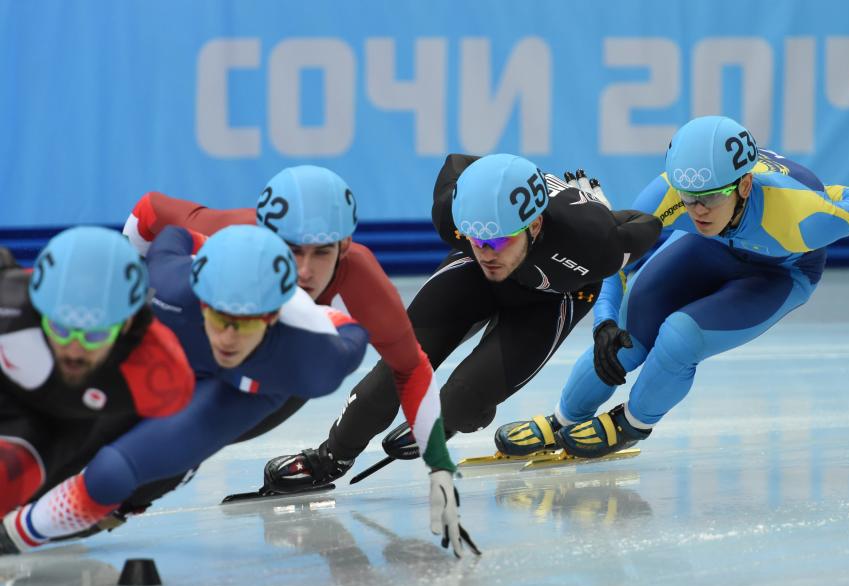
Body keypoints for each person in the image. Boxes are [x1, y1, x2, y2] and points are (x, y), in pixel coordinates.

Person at [122, 165, 476, 556]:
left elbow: (410, 368)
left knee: (191, 439)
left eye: (322, 252)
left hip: (275, 357)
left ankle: (125, 496)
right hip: (215, 328)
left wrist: (439, 465)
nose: (305, 272)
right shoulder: (231, 234)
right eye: (291, 251)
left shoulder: (360, 277)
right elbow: (149, 210)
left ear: (344, 246)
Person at [494, 115, 849, 458]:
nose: (697, 210)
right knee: (624, 333)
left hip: (778, 273)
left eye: (710, 198)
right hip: (710, 248)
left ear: (745, 185)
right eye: (688, 198)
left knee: (680, 337)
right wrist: (604, 323)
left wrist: (825, 196)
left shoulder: (803, 218)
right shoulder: (666, 194)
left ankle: (631, 423)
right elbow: (614, 260)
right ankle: (564, 418)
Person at [267, 153, 663, 483]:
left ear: (536, 224)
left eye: (499, 240)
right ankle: (328, 457)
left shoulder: (592, 241)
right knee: (391, 376)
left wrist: (602, 213)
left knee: (461, 402)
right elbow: (457, 164)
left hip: (553, 298)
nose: (488, 251)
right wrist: (484, 233)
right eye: (477, 239)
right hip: (472, 279)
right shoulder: (454, 216)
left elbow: (647, 225)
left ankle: (449, 419)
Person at [0, 224, 368, 554]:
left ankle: (32, 529)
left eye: (244, 324)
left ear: (272, 316)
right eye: (219, 318)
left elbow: (354, 335)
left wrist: (315, 314)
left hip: (249, 389)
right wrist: (211, 246)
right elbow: (168, 229)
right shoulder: (172, 286)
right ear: (202, 302)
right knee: (89, 431)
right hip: (181, 365)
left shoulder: (314, 362)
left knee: (115, 472)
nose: (227, 338)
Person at [0, 227, 194, 550]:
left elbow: (170, 453)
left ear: (127, 324)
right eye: (60, 328)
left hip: (67, 424)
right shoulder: (9, 304)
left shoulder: (161, 375)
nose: (74, 350)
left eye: (94, 335)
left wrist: (113, 503)